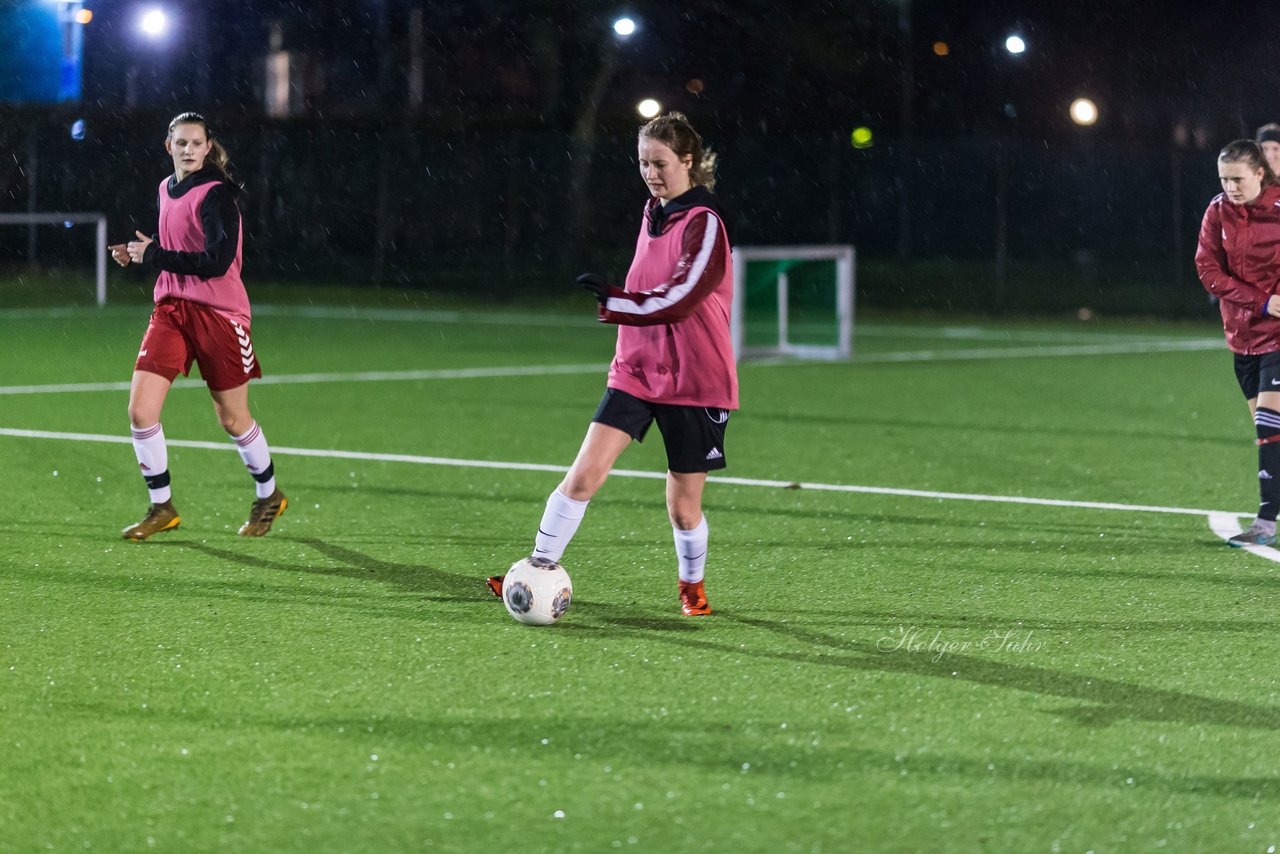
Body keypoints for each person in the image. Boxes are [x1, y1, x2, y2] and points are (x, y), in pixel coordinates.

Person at [488, 112, 738, 615]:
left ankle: (692, 587)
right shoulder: (653, 211)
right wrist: (623, 307)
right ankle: (537, 567)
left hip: (696, 379)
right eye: (644, 162)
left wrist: (616, 302)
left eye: (661, 163)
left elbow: (682, 297)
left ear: (687, 162)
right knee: (583, 475)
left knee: (683, 508)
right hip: (637, 371)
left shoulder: (705, 222)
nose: (651, 172)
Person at [108, 112, 287, 541]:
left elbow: (215, 262)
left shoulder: (218, 195)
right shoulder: (165, 189)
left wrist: (155, 256)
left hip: (219, 315)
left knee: (232, 418)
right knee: (140, 411)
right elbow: (172, 248)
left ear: (208, 148)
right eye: (181, 143)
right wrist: (140, 253)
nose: (188, 150)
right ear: (167, 146)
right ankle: (161, 507)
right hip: (170, 310)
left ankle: (269, 495)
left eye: (196, 143)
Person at [1195, 138, 1280, 546]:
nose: (1230, 187)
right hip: (1243, 337)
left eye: (1237, 179)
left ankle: (1266, 521)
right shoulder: (1217, 211)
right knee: (1270, 435)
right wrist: (1261, 302)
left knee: (1269, 424)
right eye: (1224, 179)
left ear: (1260, 173)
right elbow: (1207, 269)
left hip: (1279, 336)